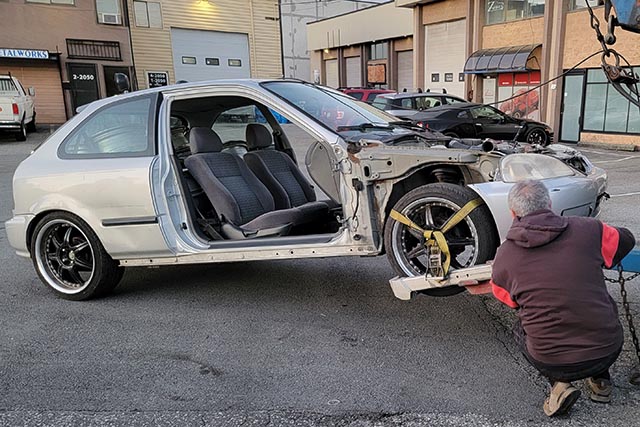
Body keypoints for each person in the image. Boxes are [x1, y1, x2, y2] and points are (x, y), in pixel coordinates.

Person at [490, 179, 635, 417]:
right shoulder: (590, 229)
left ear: (513, 213)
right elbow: (626, 240)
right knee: (600, 307)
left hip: (551, 359)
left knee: (520, 327)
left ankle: (559, 386)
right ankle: (601, 383)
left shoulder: (505, 256)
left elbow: (509, 300)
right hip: (607, 350)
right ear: (549, 203)